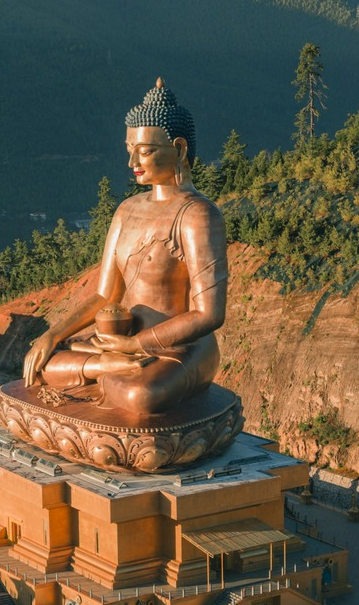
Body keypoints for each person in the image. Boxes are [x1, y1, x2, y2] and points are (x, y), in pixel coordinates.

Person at [21, 80, 227, 423]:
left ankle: (106, 371)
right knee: (41, 363)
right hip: (119, 338)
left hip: (179, 349)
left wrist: (135, 347)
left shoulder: (198, 215)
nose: (132, 160)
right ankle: (107, 368)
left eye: (144, 150)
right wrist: (53, 333)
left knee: (141, 394)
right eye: (129, 148)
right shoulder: (127, 210)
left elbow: (208, 315)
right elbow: (106, 294)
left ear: (178, 148)